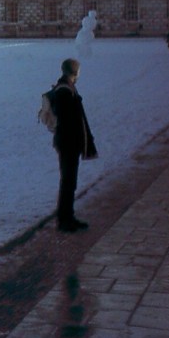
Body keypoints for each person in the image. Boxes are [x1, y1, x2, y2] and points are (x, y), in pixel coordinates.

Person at [51, 58, 98, 233]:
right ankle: (64, 220)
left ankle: (68, 216)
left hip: (68, 142)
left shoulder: (66, 87)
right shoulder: (64, 91)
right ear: (75, 72)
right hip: (67, 143)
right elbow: (68, 120)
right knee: (68, 182)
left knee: (70, 182)